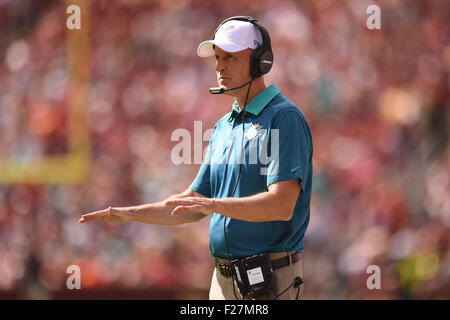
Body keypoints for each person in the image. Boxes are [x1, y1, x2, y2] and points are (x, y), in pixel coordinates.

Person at [79, 16, 313, 300]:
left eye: (229, 56)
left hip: (271, 279)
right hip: (224, 279)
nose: (219, 66)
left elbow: (281, 205)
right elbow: (192, 205)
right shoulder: (224, 126)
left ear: (260, 62)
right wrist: (131, 214)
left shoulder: (284, 117)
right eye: (217, 58)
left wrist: (213, 204)